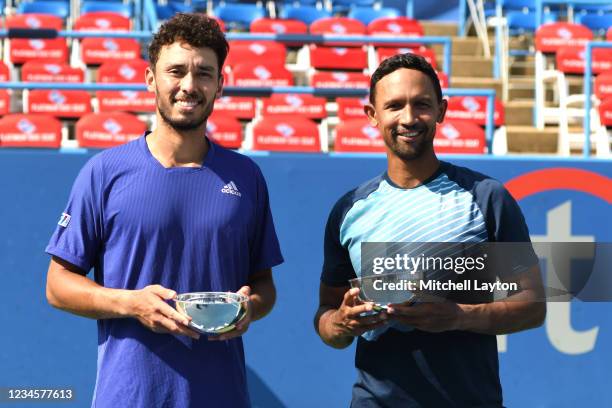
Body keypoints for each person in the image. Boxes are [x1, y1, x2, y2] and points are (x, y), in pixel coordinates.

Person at [45, 13, 283, 408]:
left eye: (204, 73)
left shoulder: (246, 176)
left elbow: (264, 286)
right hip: (129, 397)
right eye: (176, 71)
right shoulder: (104, 172)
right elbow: (57, 285)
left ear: (220, 84)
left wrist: (249, 309)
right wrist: (131, 303)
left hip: (223, 396)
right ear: (151, 79)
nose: (189, 86)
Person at [314, 53, 545, 407]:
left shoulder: (487, 198)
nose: (408, 118)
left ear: (441, 110)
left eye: (421, 104)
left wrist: (457, 317)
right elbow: (326, 317)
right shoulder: (349, 211)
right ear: (372, 116)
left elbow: (532, 306)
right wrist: (343, 323)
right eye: (394, 105)